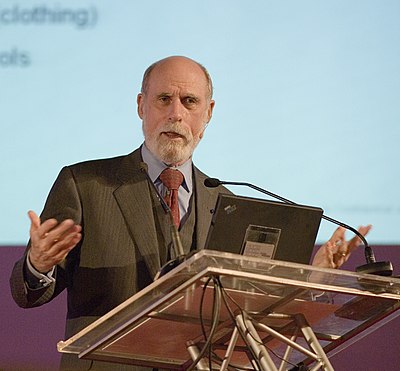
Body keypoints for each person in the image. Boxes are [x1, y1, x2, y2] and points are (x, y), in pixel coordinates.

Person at [10, 56, 370, 370]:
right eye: (164, 99)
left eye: (189, 101)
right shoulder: (85, 183)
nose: (176, 113)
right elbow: (28, 294)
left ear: (208, 112)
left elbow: (250, 312)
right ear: (141, 105)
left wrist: (311, 282)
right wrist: (38, 265)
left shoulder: (229, 203)